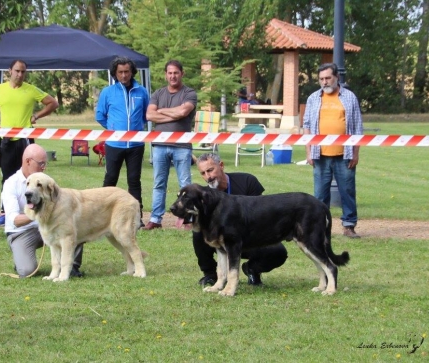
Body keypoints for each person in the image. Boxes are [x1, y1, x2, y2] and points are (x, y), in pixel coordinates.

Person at [193, 153, 288, 286]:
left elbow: (260, 215)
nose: (208, 177)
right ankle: (211, 275)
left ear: (221, 165)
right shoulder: (203, 196)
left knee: (278, 252)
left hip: (250, 238)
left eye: (210, 170)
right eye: (203, 173)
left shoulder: (247, 181)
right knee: (198, 232)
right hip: (220, 240)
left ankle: (252, 269)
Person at [0, 59, 59, 227]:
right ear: (10, 71)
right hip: (6, 140)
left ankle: (32, 208)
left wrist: (36, 116)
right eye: (17, 71)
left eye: (23, 72)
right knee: (7, 177)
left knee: (30, 176)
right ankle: (5, 212)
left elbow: (53, 103)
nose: (20, 75)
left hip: (25, 140)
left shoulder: (31, 90)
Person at [2, 143, 84, 278]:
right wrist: (39, 215)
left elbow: (56, 199)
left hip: (47, 226)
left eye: (45, 164)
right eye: (41, 164)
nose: (44, 167)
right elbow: (15, 220)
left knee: (74, 226)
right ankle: (20, 258)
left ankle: (71, 266)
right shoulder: (11, 184)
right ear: (28, 161)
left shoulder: (44, 180)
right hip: (21, 232)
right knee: (27, 270)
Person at [303, 63, 363, 239]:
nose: (324, 82)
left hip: (344, 155)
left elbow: (358, 127)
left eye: (328, 78)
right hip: (319, 155)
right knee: (320, 195)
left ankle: (349, 225)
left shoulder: (349, 97)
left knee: (347, 191)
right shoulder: (313, 98)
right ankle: (320, 227)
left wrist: (356, 153)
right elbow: (306, 125)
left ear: (337, 77)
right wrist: (308, 151)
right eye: (321, 79)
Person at [143, 60, 197, 230]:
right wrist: (172, 114)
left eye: (176, 73)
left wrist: (161, 110)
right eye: (170, 73)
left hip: (182, 146)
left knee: (185, 185)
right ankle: (155, 219)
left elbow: (183, 111)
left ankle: (187, 218)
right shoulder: (158, 94)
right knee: (159, 183)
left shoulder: (189, 93)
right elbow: (150, 115)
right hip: (159, 145)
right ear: (165, 74)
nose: (173, 76)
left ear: (182, 73)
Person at [95, 57, 149, 225]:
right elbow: (100, 115)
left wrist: (137, 127)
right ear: (115, 74)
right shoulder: (108, 92)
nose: (124, 75)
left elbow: (147, 115)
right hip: (114, 144)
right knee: (110, 178)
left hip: (136, 145)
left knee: (134, 180)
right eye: (120, 72)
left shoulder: (142, 91)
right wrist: (113, 129)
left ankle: (136, 217)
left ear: (132, 72)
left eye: (127, 71)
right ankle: (101, 216)